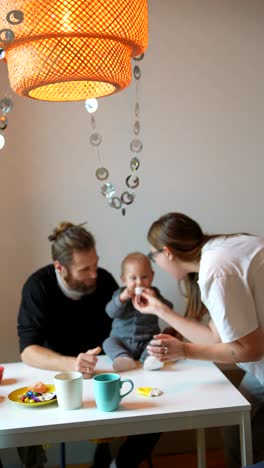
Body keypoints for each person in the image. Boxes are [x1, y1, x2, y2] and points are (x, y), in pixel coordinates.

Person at [17, 222, 160, 468]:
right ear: (59, 268)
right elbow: (28, 351)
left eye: (95, 264)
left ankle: (120, 463)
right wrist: (73, 363)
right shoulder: (38, 287)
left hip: (106, 369)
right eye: (85, 269)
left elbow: (124, 324)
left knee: (157, 412)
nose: (94, 273)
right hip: (60, 377)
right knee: (22, 424)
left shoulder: (103, 280)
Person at [133, 212, 264, 468]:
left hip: (259, 358)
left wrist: (184, 350)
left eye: (153, 255)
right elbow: (216, 336)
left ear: (167, 252)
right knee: (235, 423)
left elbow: (249, 349)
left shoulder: (216, 271)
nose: (155, 262)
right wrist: (161, 310)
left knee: (238, 425)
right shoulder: (223, 248)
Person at [103, 252, 173, 372]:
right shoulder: (120, 294)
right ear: (124, 279)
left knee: (157, 342)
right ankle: (123, 358)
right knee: (108, 342)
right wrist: (122, 299)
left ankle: (150, 359)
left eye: (144, 277)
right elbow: (110, 312)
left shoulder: (154, 293)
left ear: (152, 276)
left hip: (147, 340)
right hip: (122, 341)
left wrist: (156, 300)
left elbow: (169, 309)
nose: (139, 282)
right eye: (133, 278)